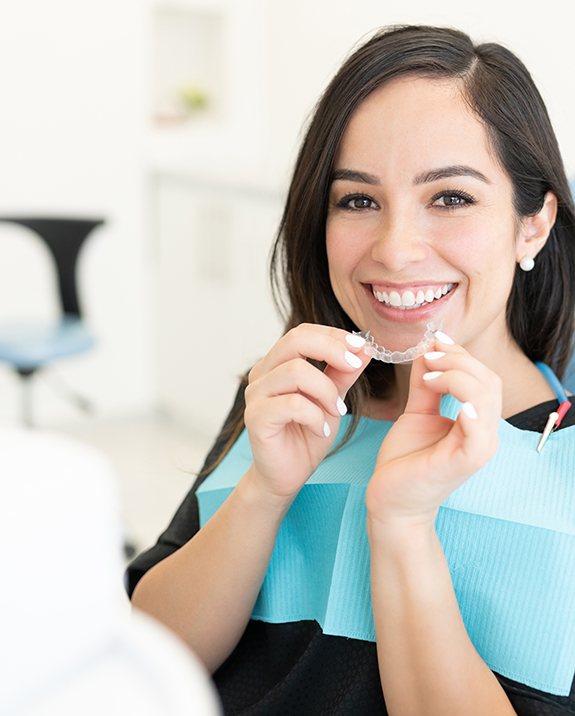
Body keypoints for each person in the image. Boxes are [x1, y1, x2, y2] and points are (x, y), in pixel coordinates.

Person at [126, 24, 575, 715]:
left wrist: (400, 525)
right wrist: (263, 491)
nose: (394, 251)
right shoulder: (286, 395)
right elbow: (140, 661)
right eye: (357, 200)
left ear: (532, 225)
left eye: (450, 198)